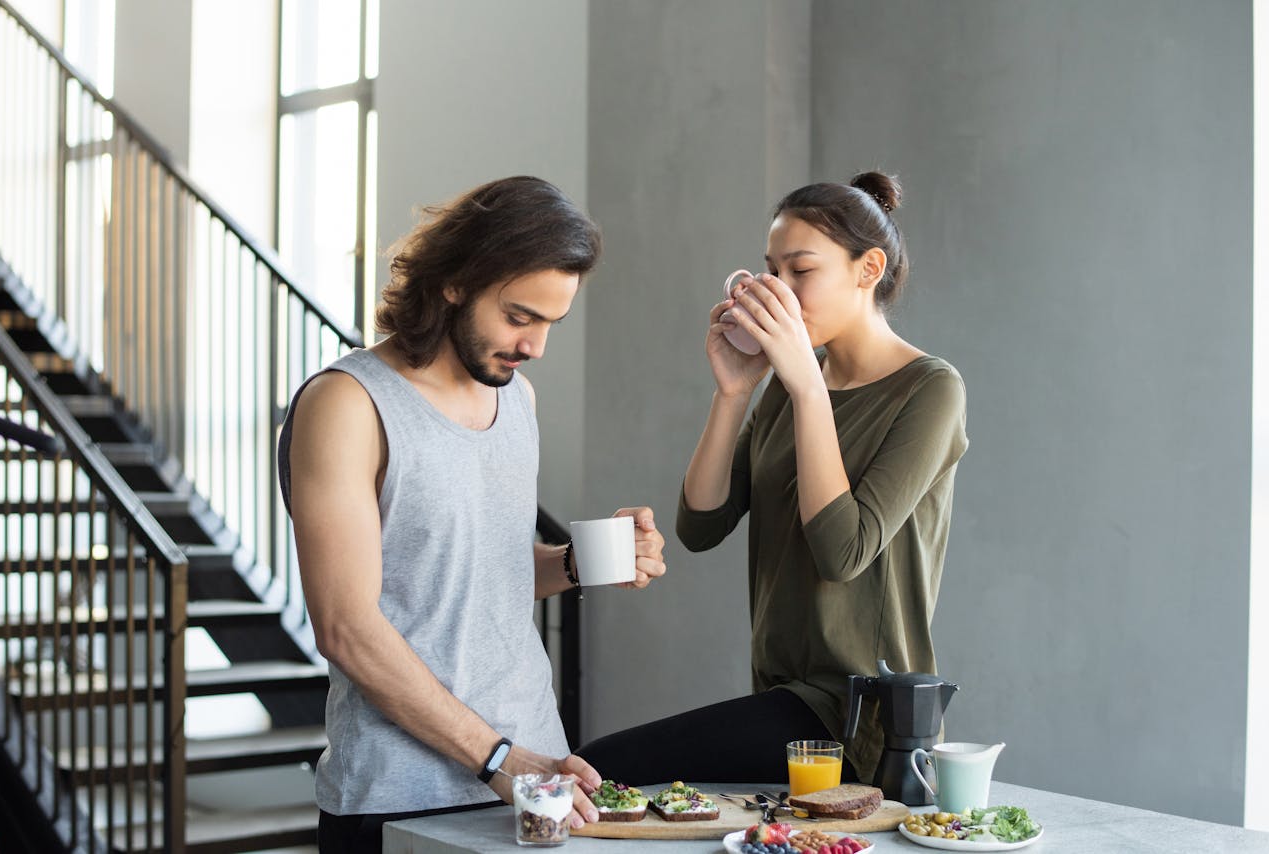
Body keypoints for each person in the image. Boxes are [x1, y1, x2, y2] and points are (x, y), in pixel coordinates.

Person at [277, 176, 667, 854]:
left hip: (537, 784)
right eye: (519, 317)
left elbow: (477, 571)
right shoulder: (346, 405)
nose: (535, 345)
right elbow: (345, 626)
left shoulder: (517, 400)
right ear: (455, 281)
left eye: (550, 323)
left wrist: (581, 564)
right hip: (399, 795)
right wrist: (497, 759)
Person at [577, 172, 967, 787]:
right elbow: (701, 525)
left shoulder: (929, 390)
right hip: (782, 694)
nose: (777, 291)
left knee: (601, 768)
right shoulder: (789, 383)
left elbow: (843, 551)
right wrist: (733, 393)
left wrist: (807, 387)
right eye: (771, 271)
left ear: (868, 269)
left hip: (861, 715)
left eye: (800, 271)